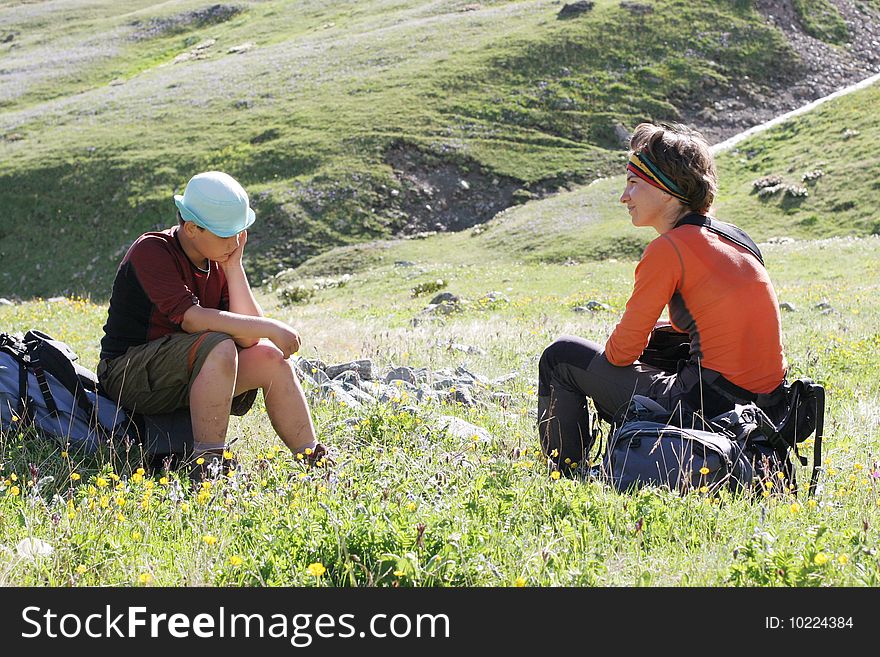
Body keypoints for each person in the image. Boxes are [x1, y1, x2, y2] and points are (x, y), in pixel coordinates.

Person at [537, 123, 786, 473]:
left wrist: (627, 341)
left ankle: (566, 472)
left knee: (561, 356)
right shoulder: (737, 239)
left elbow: (622, 353)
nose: (624, 197)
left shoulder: (668, 249)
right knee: (659, 348)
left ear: (667, 191)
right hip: (768, 408)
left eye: (633, 184)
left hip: (709, 404)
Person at [97, 171, 328, 478]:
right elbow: (193, 320)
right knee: (219, 345)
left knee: (269, 359)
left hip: (186, 373)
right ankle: (207, 467)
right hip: (129, 376)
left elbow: (248, 340)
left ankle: (315, 461)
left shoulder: (217, 260)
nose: (235, 242)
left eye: (239, 232)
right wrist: (271, 327)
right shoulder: (152, 251)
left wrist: (234, 268)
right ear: (192, 228)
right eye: (226, 234)